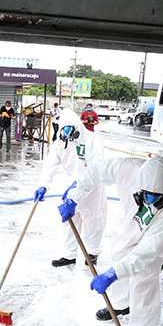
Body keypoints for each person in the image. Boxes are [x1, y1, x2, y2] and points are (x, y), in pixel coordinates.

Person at [60, 155, 163, 326]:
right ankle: (120, 305)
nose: (152, 198)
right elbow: (94, 172)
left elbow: (147, 251)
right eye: (147, 193)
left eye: (156, 195)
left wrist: (111, 274)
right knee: (118, 256)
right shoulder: (126, 167)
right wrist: (74, 197)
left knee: (144, 284)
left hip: (152, 237)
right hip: (128, 221)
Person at [34, 108, 107, 267]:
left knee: (93, 221)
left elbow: (95, 169)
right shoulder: (60, 143)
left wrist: (79, 185)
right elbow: (50, 165)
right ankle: (69, 255)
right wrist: (43, 185)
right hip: (71, 187)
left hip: (91, 188)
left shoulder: (92, 140)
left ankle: (92, 253)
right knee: (69, 221)